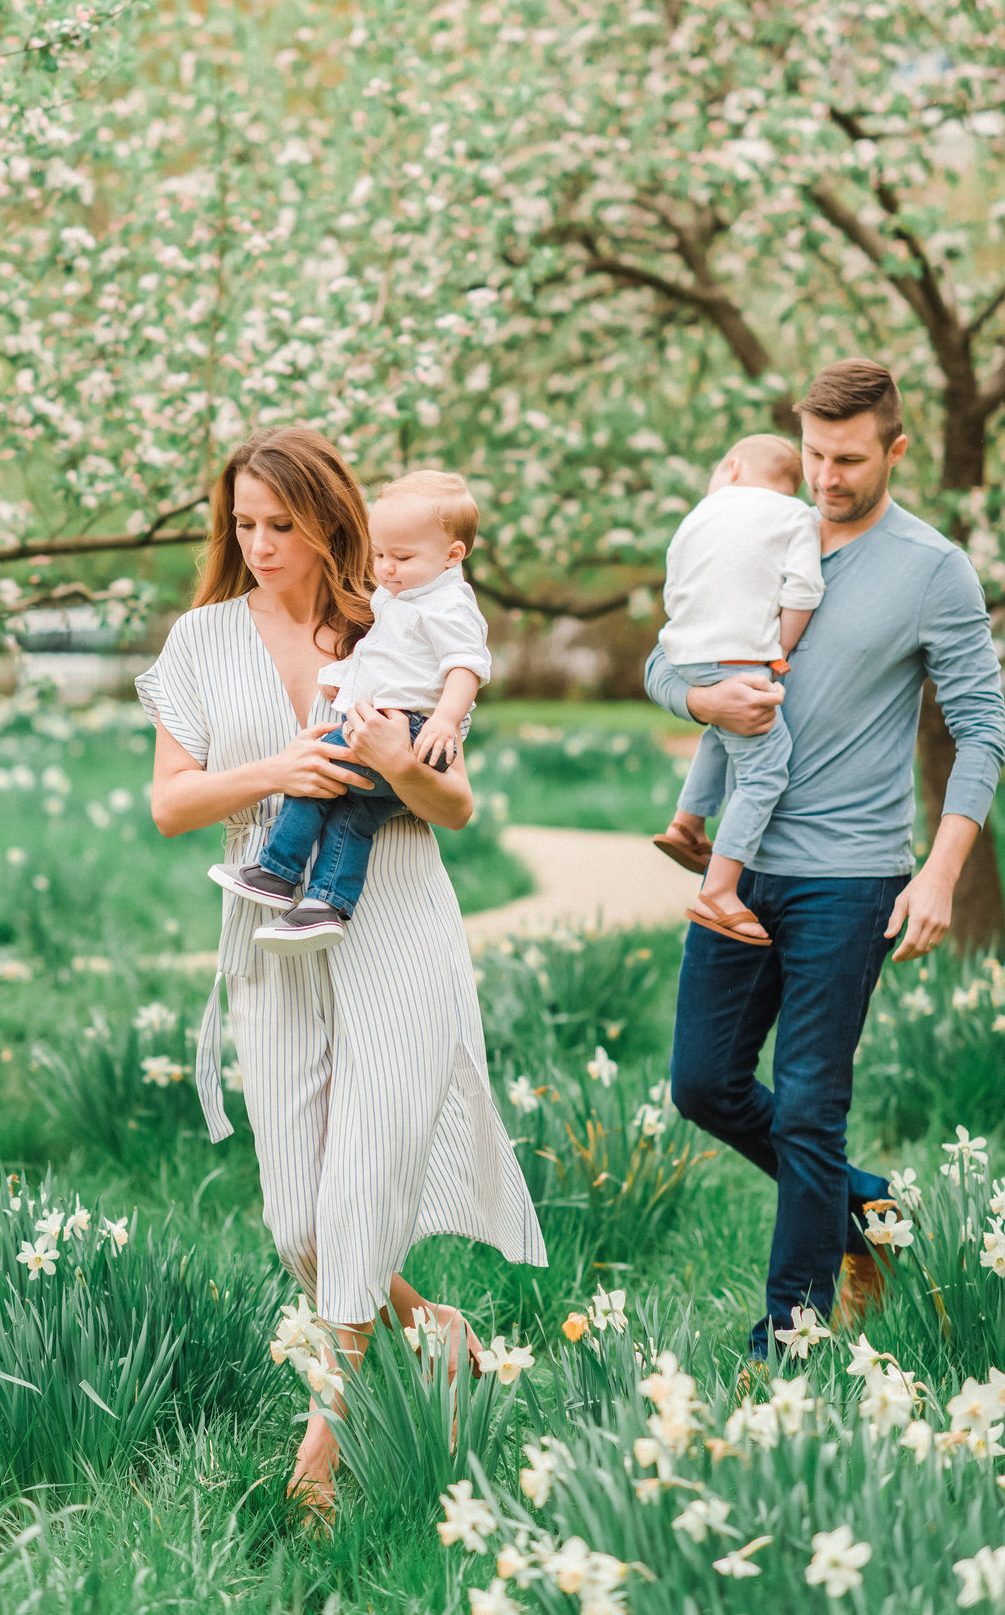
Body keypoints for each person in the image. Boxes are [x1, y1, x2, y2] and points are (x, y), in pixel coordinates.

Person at [135, 426, 546, 1513]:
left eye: (282, 525)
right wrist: (278, 767)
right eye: (243, 525)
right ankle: (436, 1328)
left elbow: (455, 807)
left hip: (397, 921)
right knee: (298, 1224)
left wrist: (407, 763)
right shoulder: (202, 640)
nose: (261, 544)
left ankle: (324, 1447)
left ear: (329, 521)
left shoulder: (396, 618)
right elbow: (172, 803)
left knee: (362, 1190)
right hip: (273, 937)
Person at [644, 358, 1005, 1364]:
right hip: (739, 865)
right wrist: (696, 700)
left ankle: (788, 1338)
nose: (826, 477)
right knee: (702, 1084)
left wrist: (938, 871)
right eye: (812, 454)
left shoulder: (933, 569)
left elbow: (982, 728)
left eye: (849, 459)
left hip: (850, 875)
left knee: (810, 1102)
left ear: (897, 449)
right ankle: (871, 1206)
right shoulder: (758, 526)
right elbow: (667, 653)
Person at [209, 470, 491, 956]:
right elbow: (388, 655)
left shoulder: (447, 603)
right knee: (354, 816)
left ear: (453, 555)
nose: (386, 569)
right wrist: (345, 673)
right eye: (379, 555)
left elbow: (467, 664)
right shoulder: (402, 596)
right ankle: (326, 905)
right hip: (395, 725)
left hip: (409, 728)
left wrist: (444, 721)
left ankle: (277, 870)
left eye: (402, 557)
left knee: (318, 766)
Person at [651, 433, 825, 945]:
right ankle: (720, 890)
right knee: (767, 768)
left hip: (684, 649)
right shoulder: (796, 515)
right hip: (739, 654)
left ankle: (687, 824)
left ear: (731, 468)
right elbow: (804, 589)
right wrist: (780, 651)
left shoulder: (699, 515)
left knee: (722, 729)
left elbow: (674, 584)